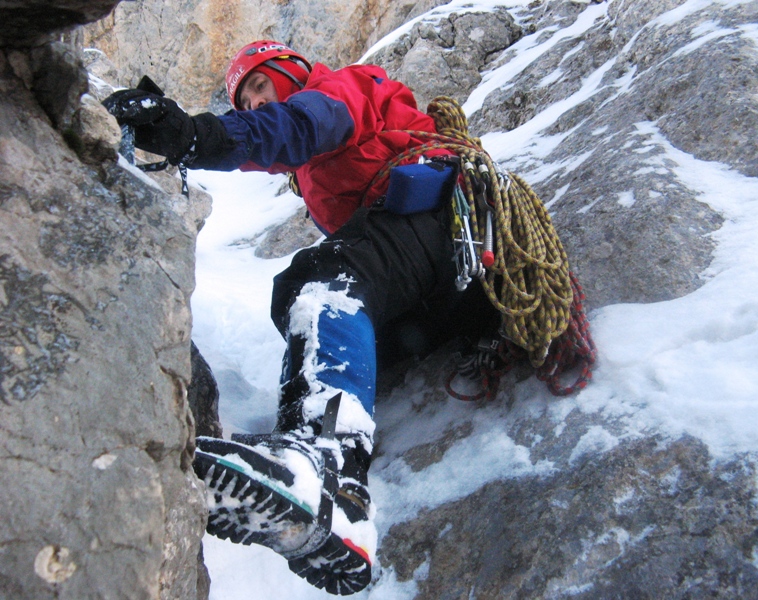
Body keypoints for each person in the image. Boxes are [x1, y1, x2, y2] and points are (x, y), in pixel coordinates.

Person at [103, 40, 499, 595]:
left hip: (440, 227)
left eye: (260, 85)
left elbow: (299, 127)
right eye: (245, 102)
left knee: (316, 283)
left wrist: (192, 135)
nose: (255, 103)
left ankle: (322, 460)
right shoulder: (312, 171)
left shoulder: (343, 88)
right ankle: (340, 503)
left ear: (291, 70)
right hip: (437, 286)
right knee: (325, 321)